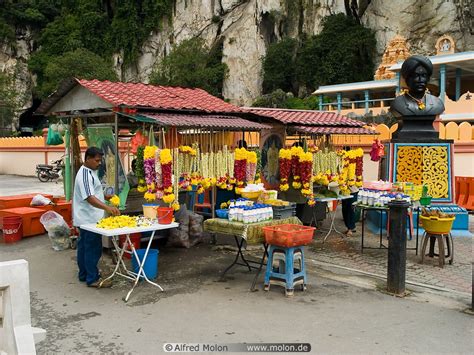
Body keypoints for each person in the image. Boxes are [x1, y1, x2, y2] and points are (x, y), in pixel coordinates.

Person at [73, 147, 120, 288]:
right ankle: (92, 278)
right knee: (92, 248)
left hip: (86, 218)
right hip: (89, 219)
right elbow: (89, 198)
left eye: (100, 160)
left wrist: (104, 196)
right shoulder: (85, 175)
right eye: (97, 160)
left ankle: (84, 274)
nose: (99, 163)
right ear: (87, 159)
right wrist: (108, 207)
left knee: (84, 247)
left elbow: (93, 193)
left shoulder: (90, 172)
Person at [341, 146, 359, 237]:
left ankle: (351, 228)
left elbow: (358, 177)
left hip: (353, 190)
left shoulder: (355, 163)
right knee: (344, 209)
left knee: (351, 209)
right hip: (344, 190)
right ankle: (348, 226)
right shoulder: (342, 163)